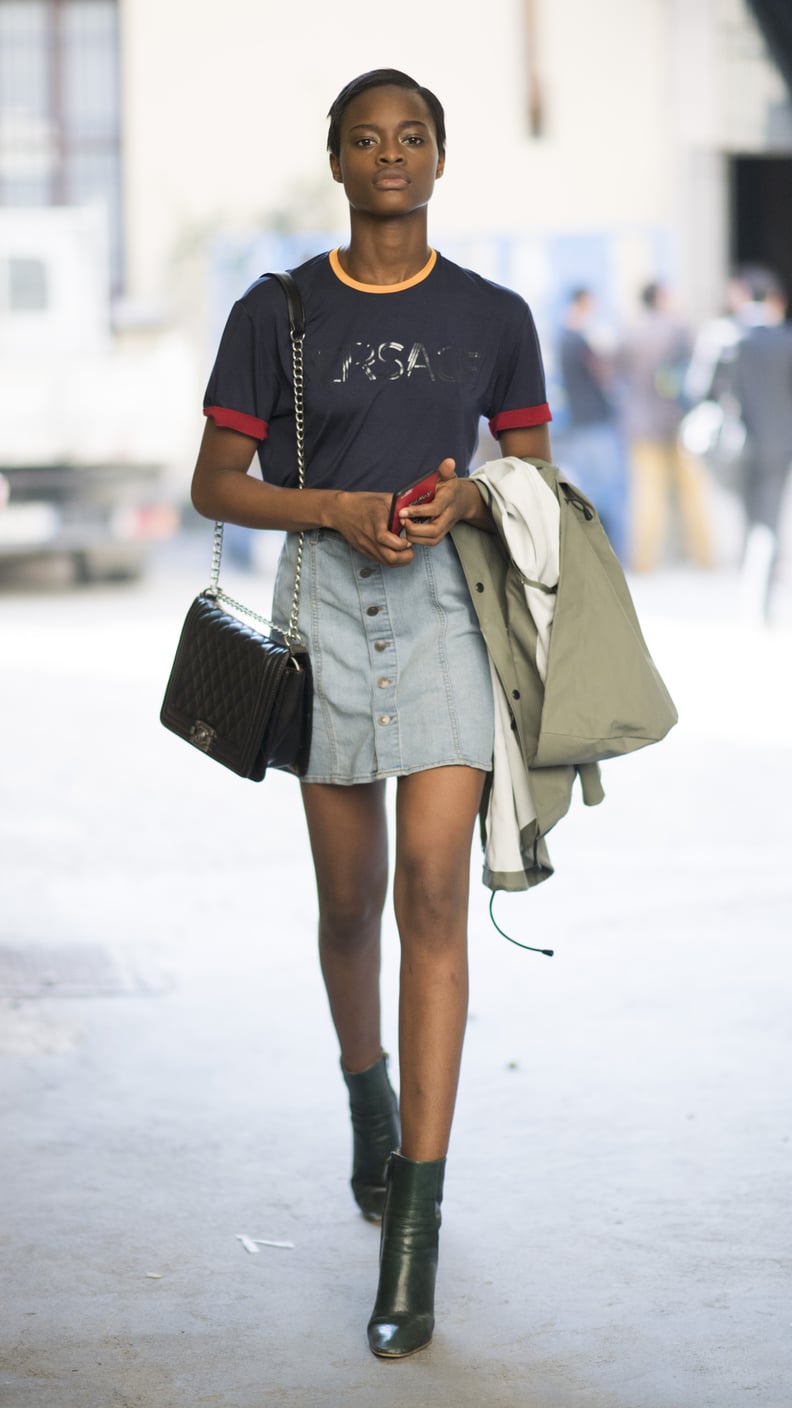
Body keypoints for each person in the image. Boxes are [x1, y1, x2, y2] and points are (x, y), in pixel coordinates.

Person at [190, 69, 553, 1359]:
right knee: (350, 904)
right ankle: (366, 1097)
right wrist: (339, 508)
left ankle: (416, 1233)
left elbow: (533, 468)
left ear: (441, 158)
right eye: (365, 139)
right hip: (326, 620)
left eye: (412, 137)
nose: (389, 155)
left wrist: (468, 500)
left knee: (434, 898)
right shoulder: (276, 312)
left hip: (450, 613)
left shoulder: (495, 314)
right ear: (336, 163)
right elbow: (214, 483)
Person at [618, 280, 713, 572]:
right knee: (694, 494)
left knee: (647, 496)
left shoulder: (630, 333)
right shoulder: (680, 330)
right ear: (661, 298)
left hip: (641, 424)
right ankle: (705, 558)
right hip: (679, 421)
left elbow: (615, 372)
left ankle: (643, 562)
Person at [729, 266, 792, 622]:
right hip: (779, 445)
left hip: (739, 446)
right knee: (768, 521)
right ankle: (761, 602)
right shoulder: (785, 340)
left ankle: (747, 595)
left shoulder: (732, 339)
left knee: (749, 519)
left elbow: (704, 391)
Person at [555, 286, 630, 561]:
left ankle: (596, 553)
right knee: (606, 492)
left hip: (579, 423)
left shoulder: (562, 337)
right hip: (595, 424)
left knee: (590, 491)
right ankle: (611, 553)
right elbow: (603, 376)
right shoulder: (579, 340)